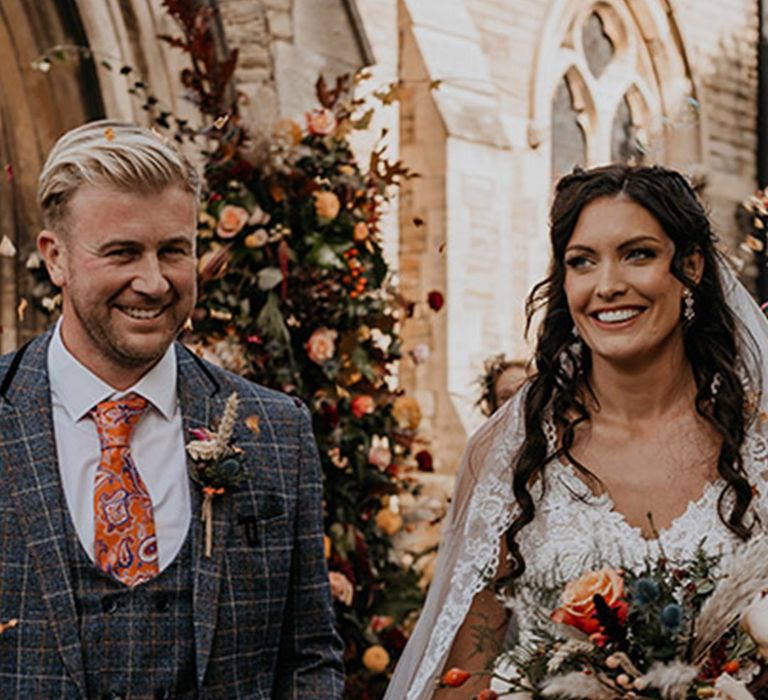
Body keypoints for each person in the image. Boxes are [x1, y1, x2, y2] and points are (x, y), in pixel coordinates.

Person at [384, 164, 768, 699]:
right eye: (582, 262)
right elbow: (463, 676)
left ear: (692, 265)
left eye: (638, 254)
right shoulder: (514, 454)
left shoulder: (759, 445)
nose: (607, 286)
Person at [0, 120, 344, 698]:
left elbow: (308, 657)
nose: (154, 282)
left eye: (174, 251)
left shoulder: (277, 432)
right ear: (55, 258)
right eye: (122, 252)